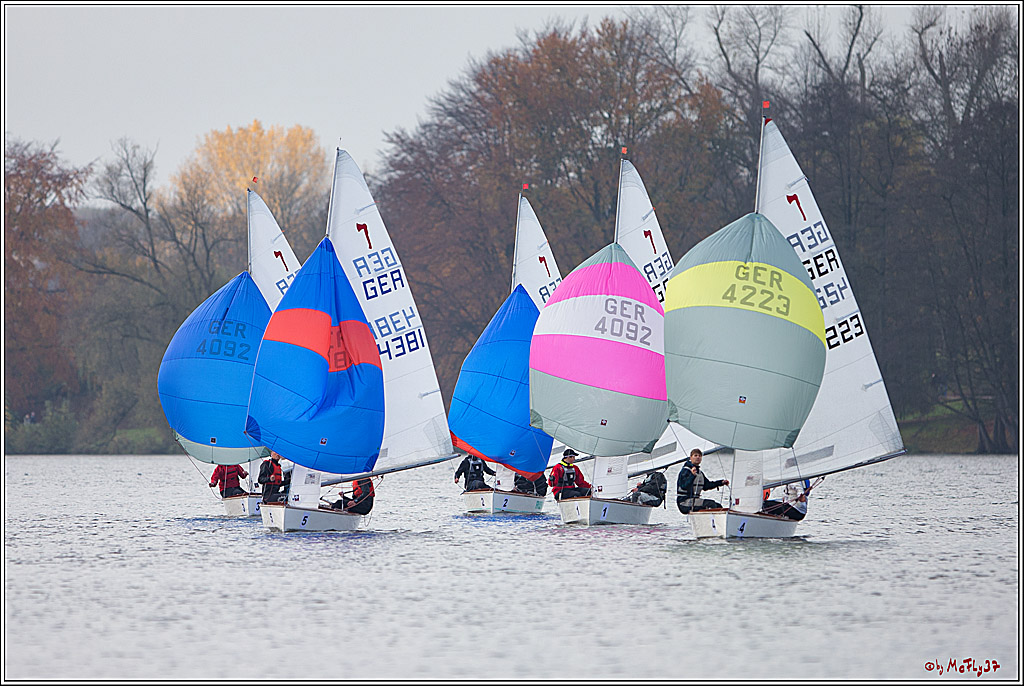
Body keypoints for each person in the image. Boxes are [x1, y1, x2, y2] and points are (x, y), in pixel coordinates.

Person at [676, 448, 729, 514]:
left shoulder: (700, 473)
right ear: (691, 458)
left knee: (718, 506)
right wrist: (692, 475)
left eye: (699, 456)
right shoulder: (685, 471)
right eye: (695, 455)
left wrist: (721, 482)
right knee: (711, 504)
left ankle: (717, 522)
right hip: (684, 502)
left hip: (694, 501)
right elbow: (684, 486)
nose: (698, 457)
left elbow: (707, 486)